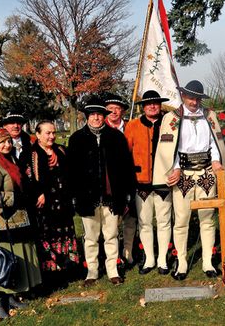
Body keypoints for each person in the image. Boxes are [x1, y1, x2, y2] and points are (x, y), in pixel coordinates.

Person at [153, 80, 225, 280]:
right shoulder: (171, 118)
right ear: (183, 96)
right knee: (181, 220)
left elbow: (215, 143)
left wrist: (216, 161)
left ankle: (207, 261)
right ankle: (181, 261)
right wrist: (176, 168)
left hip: (206, 172)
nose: (194, 102)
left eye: (197, 98)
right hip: (184, 174)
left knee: (207, 219)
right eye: (190, 97)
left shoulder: (210, 116)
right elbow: (169, 148)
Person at [68, 96, 136, 286]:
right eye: (93, 115)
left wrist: (126, 193)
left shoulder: (116, 138)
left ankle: (113, 270)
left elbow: (126, 168)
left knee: (111, 235)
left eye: (100, 114)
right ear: (87, 117)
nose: (97, 118)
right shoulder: (77, 139)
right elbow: (71, 172)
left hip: (112, 197)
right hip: (87, 198)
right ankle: (92, 272)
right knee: (90, 237)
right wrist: (74, 196)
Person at [0, 129, 41, 319]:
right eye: (2, 142)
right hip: (1, 220)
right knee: (2, 261)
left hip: (16, 219)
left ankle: (11, 295)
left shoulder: (9, 160)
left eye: (8, 141)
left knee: (16, 257)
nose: (7, 145)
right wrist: (14, 198)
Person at [124, 90, 172, 275]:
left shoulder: (169, 124)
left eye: (156, 103)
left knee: (164, 221)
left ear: (160, 105)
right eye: (149, 103)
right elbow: (127, 155)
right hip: (141, 182)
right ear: (143, 106)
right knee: (144, 222)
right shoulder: (133, 126)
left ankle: (162, 259)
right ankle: (149, 258)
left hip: (163, 181)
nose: (152, 106)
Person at [30, 121, 79, 288]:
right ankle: (51, 274)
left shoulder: (61, 150)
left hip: (63, 202)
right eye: (47, 133)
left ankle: (68, 269)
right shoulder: (32, 154)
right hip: (45, 205)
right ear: (37, 134)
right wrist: (39, 192)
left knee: (65, 235)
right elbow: (28, 178)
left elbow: (72, 173)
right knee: (48, 237)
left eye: (53, 133)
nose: (51, 136)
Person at [103, 93, 137, 268]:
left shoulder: (131, 126)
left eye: (117, 108)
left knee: (131, 219)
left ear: (123, 111)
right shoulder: (102, 130)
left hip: (131, 178)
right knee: (112, 222)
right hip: (111, 183)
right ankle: (113, 256)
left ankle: (128, 252)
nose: (114, 112)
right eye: (110, 109)